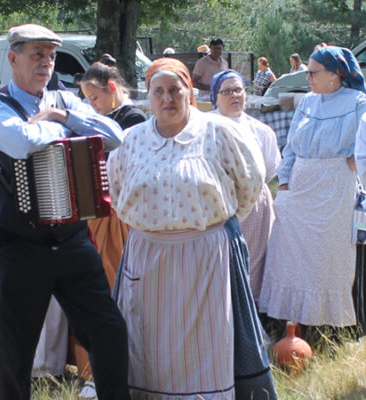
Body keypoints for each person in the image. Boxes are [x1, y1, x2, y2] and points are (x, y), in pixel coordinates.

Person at [0, 23, 129, 400]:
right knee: (15, 351)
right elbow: (20, 142)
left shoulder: (64, 103)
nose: (46, 63)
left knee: (109, 331)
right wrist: (62, 125)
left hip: (72, 237)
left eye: (51, 55)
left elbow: (115, 135)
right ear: (13, 58)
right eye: (37, 54)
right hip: (19, 243)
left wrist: (60, 118)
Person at [109, 57, 276, 399]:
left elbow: (249, 185)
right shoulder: (132, 140)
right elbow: (117, 189)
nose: (167, 98)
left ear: (190, 93)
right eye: (159, 91)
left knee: (205, 344)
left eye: (175, 90)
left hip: (204, 256)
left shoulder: (218, 133)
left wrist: (210, 227)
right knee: (147, 340)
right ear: (149, 96)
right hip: (147, 256)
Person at [260, 45, 366, 328]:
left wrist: (355, 159)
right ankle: (287, 317)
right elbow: (292, 146)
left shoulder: (358, 101)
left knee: (325, 257)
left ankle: (323, 323)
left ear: (334, 75)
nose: (307, 78)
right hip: (300, 184)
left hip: (335, 187)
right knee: (286, 251)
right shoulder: (307, 102)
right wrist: (284, 182)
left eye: (312, 72)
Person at [74, 60, 146, 398]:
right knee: (95, 290)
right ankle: (93, 370)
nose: (92, 104)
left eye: (94, 97)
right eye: (86, 99)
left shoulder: (132, 121)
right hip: (96, 215)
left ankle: (119, 370)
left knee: (116, 288)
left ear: (112, 89)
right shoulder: (101, 121)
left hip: (120, 216)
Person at [210, 69, 281, 305]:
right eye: (227, 91)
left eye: (238, 89)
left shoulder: (261, 131)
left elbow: (270, 168)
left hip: (254, 207)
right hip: (216, 206)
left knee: (254, 258)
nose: (234, 95)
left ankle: (255, 316)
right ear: (215, 97)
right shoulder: (204, 128)